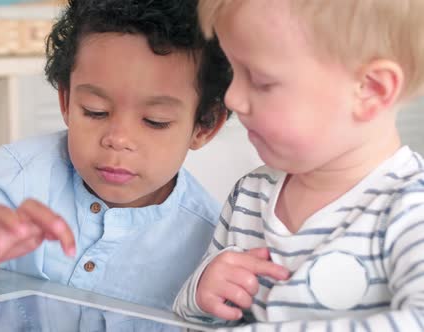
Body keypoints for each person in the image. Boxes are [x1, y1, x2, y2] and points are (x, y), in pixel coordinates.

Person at [0, 0, 231, 311]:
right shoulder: (19, 177)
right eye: (95, 111)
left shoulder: (211, 239)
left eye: (155, 121)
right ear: (66, 100)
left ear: (204, 126)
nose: (118, 139)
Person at [174, 0, 424, 330]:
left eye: (261, 81)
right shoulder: (250, 195)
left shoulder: (411, 206)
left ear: (371, 90)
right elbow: (193, 320)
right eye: (234, 73)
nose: (232, 98)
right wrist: (201, 291)